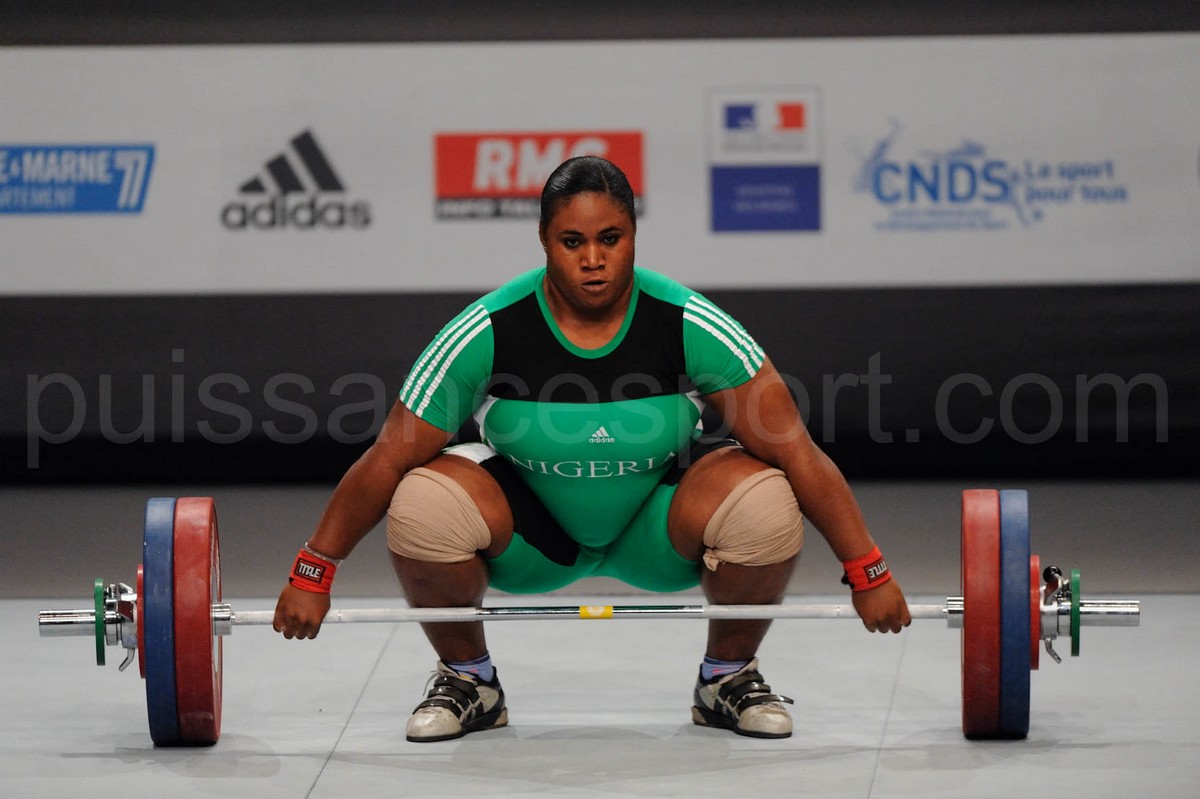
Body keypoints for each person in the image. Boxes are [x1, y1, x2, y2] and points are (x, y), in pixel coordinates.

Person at [273, 155, 911, 742]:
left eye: (611, 238)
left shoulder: (689, 323)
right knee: (421, 499)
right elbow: (386, 458)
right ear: (544, 241)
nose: (594, 260)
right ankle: (470, 681)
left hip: (656, 531)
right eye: (572, 242)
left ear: (633, 235)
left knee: (766, 495)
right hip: (531, 537)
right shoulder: (487, 329)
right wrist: (312, 571)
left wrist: (869, 571)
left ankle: (726, 677)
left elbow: (799, 454)